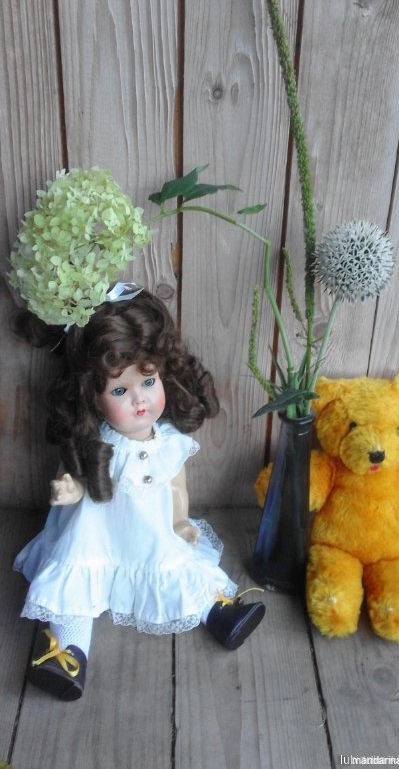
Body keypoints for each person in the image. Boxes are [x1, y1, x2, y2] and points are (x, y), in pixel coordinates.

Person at [12, 288, 265, 701]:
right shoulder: (97, 443)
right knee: (78, 584)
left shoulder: (169, 441)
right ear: (93, 398)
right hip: (95, 536)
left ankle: (218, 611)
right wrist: (68, 488)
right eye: (119, 391)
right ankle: (67, 651)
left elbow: (177, 485)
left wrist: (180, 521)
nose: (140, 399)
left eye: (148, 381)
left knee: (175, 564)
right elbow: (74, 477)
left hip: (152, 532)